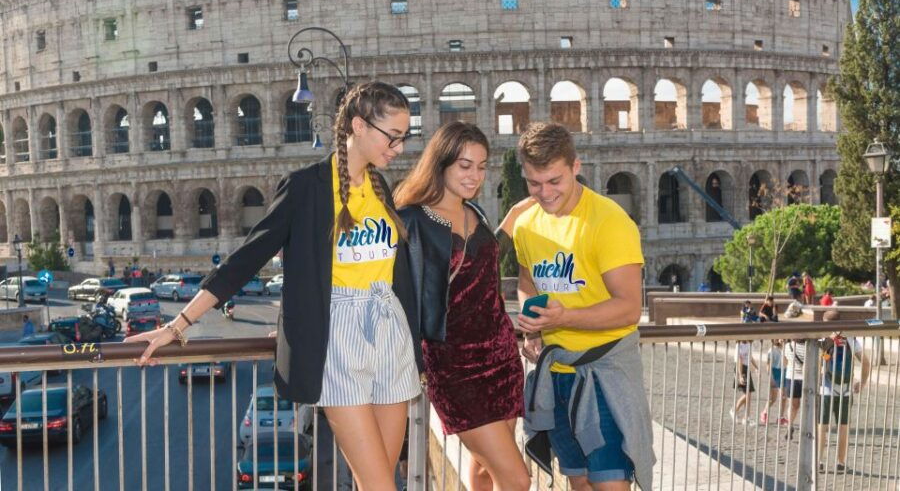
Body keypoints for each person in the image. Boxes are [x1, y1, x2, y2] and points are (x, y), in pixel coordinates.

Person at [126, 82, 422, 490]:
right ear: (358, 125)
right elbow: (246, 259)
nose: (400, 148)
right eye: (393, 137)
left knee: (377, 480)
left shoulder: (380, 187)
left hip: (390, 334)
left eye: (404, 138)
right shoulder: (305, 188)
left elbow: (398, 275)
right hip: (333, 339)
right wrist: (177, 325)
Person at [514, 122, 654, 491]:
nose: (544, 193)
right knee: (578, 483)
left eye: (554, 181)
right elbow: (527, 286)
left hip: (605, 374)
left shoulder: (609, 221)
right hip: (555, 375)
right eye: (534, 183)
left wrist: (564, 317)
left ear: (576, 167)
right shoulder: (526, 225)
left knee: (611, 485)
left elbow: (628, 309)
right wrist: (534, 323)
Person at [394, 121, 530, 491]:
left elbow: (479, 265)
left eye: (482, 166)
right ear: (442, 163)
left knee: (486, 470)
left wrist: (511, 221)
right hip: (454, 365)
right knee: (517, 479)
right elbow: (386, 287)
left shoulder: (476, 212)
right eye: (465, 166)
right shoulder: (411, 219)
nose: (475, 175)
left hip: (501, 356)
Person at [817, 310, 870, 474]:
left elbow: (817, 362)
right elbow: (866, 362)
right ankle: (840, 463)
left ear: (825, 322)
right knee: (843, 428)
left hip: (826, 389)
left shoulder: (823, 340)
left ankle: (818, 461)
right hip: (846, 391)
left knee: (822, 427)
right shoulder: (851, 340)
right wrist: (861, 383)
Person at [782, 337, 807, 439]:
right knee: (809, 405)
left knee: (793, 405)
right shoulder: (810, 347)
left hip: (791, 377)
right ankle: (808, 428)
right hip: (806, 378)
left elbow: (785, 362)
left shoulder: (788, 346)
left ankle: (790, 425)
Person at [759, 339, 788, 426]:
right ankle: (764, 412)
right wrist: (770, 376)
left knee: (784, 396)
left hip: (784, 371)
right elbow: (768, 365)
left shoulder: (785, 348)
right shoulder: (771, 350)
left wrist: (784, 349)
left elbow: (786, 362)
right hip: (774, 373)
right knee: (773, 398)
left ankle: (781, 417)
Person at [731, 340, 758, 425]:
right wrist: (740, 375)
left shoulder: (749, 344)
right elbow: (739, 360)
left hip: (747, 368)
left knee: (748, 394)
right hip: (740, 368)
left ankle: (746, 417)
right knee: (747, 394)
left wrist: (756, 367)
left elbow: (750, 357)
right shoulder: (739, 345)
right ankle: (734, 410)